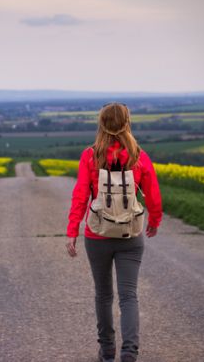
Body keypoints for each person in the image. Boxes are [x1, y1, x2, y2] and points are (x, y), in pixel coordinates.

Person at [65, 102, 163, 362]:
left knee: (103, 295)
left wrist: (72, 230)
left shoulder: (91, 155)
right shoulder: (139, 156)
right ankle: (129, 352)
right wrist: (154, 219)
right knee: (129, 295)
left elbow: (80, 196)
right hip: (130, 234)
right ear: (127, 122)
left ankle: (107, 351)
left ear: (102, 124)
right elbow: (153, 193)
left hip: (97, 235)